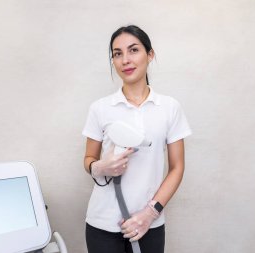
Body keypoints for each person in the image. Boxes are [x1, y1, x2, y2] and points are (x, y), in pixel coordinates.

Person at [82, 25, 192, 253]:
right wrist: (100, 167)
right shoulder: (100, 108)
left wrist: (150, 213)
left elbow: (177, 167)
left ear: (150, 55)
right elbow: (88, 159)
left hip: (148, 225)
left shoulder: (169, 108)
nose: (125, 60)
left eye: (133, 50)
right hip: (101, 225)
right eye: (117, 54)